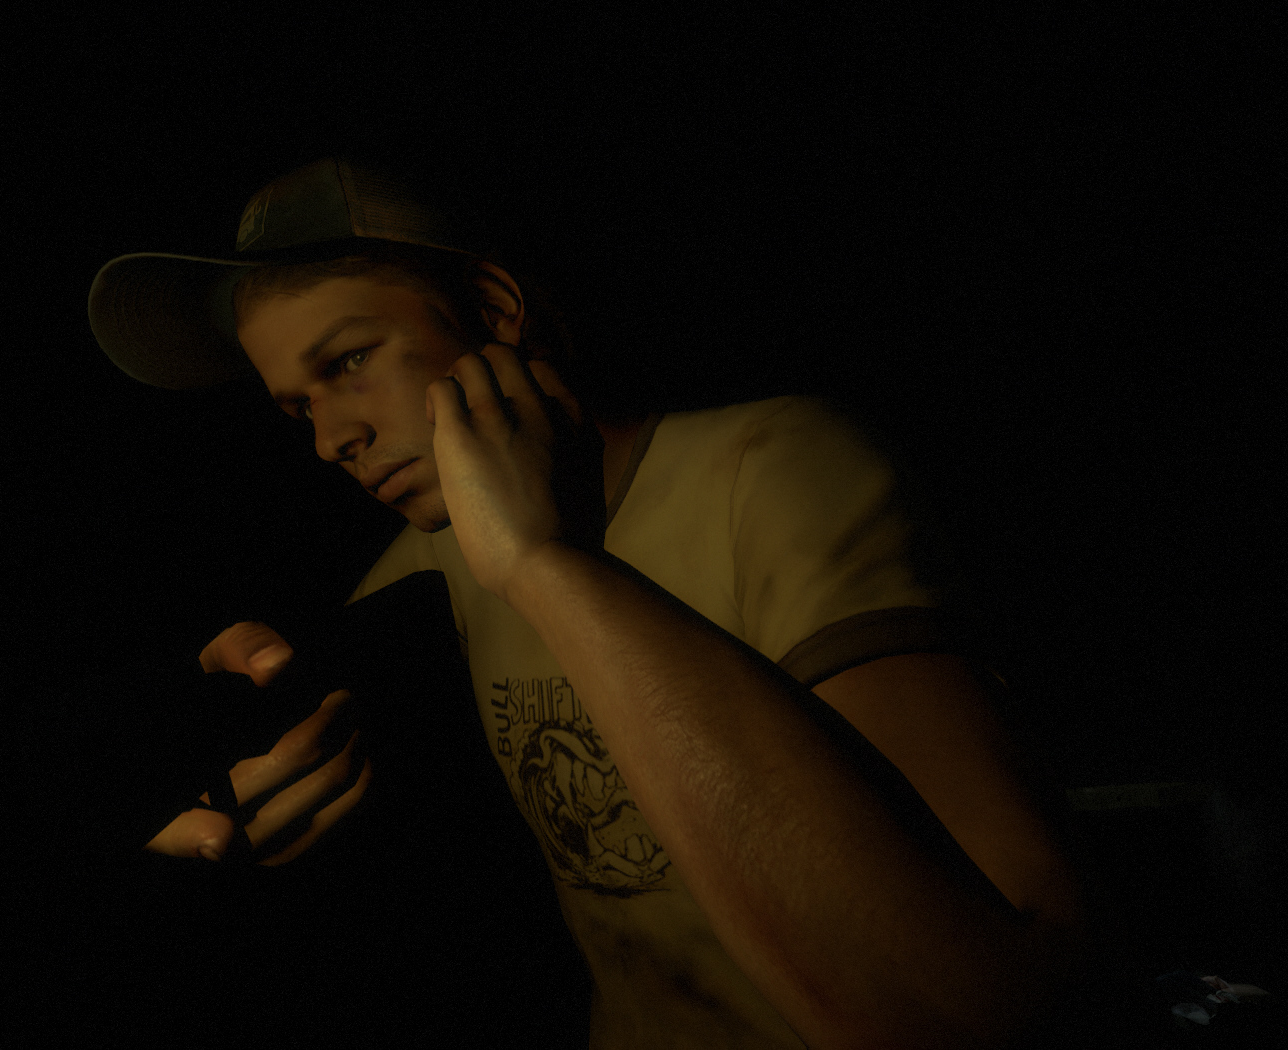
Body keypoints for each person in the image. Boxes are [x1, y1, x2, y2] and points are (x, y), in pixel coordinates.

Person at [89, 155, 1091, 1048]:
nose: (329, 439)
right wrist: (202, 783)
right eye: (297, 406)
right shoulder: (412, 587)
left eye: (349, 361)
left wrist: (547, 563)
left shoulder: (770, 471)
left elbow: (979, 1010)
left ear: (492, 309)